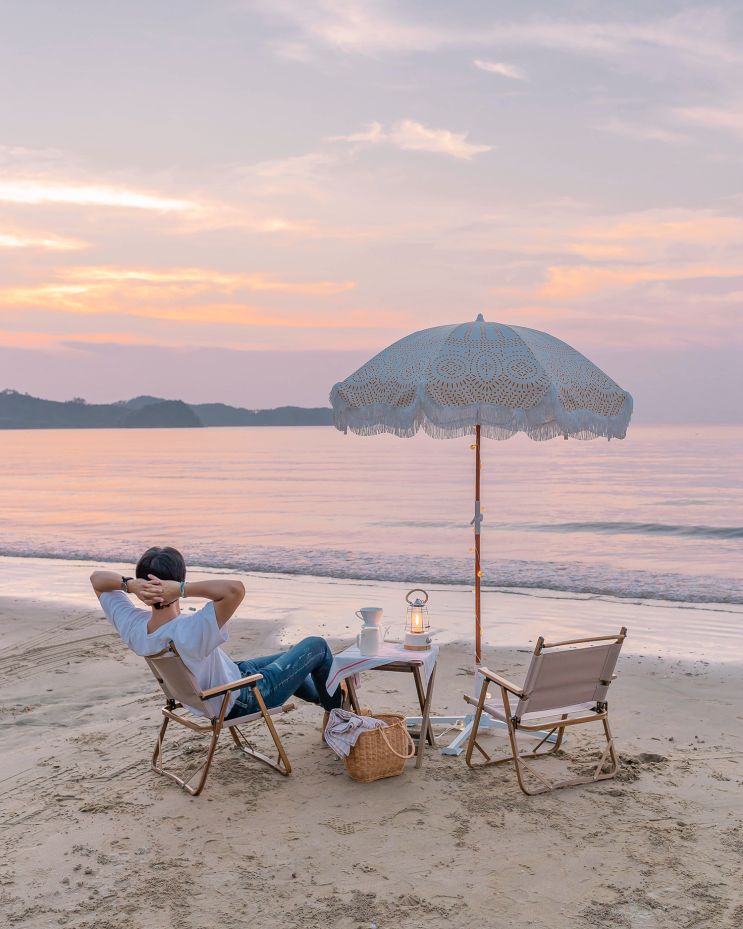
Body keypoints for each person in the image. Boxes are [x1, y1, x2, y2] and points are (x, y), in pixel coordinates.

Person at [90, 546, 343, 720]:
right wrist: (181, 589)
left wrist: (129, 585)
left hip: (215, 689)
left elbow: (97, 580)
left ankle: (327, 702)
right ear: (179, 580)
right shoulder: (191, 631)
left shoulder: (134, 626)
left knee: (288, 661)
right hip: (240, 699)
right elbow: (235, 590)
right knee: (316, 647)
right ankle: (340, 719)